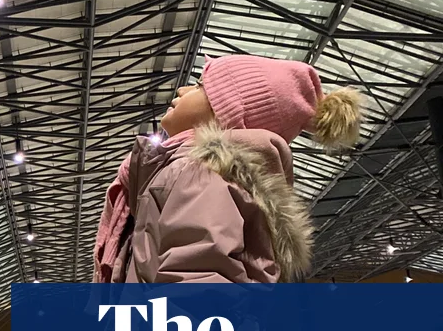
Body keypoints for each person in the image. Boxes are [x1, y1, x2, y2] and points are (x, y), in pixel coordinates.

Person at [93, 54, 364, 284]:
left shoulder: (201, 173)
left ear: (227, 112)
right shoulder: (197, 174)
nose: (182, 90)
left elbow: (199, 284)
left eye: (199, 85)